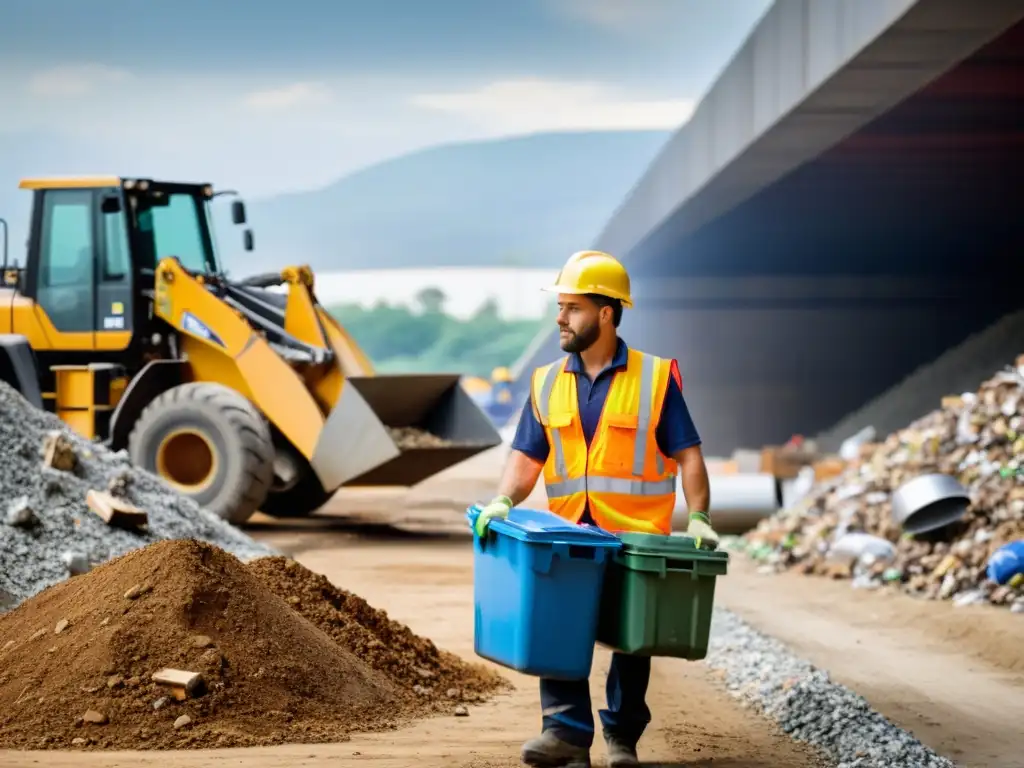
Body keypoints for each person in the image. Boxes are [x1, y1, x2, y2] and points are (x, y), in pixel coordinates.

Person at [473, 250, 718, 768]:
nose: (560, 318)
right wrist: (503, 500)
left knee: (633, 641)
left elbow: (688, 456)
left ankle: (622, 737)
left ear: (607, 313)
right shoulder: (545, 381)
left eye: (573, 308)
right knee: (555, 627)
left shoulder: (654, 379)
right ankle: (565, 734)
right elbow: (525, 459)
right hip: (568, 536)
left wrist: (699, 517)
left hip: (635, 536)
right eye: (560, 307)